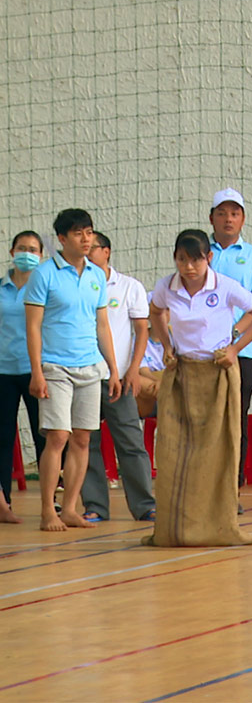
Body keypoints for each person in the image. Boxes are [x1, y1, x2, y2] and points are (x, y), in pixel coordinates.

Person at [146, 230, 252, 547]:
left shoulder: (225, 286)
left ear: (209, 258)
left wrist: (234, 347)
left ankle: (221, 524)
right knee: (174, 449)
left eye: (196, 259)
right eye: (182, 259)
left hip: (217, 373)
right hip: (182, 373)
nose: (189, 267)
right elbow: (155, 312)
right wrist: (166, 346)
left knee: (219, 448)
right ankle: (174, 527)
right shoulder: (166, 286)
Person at [25, 209, 122, 532]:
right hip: (55, 366)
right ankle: (47, 511)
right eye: (78, 233)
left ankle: (69, 508)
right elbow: (34, 326)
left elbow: (102, 325)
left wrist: (113, 369)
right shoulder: (44, 274)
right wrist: (37, 372)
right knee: (58, 437)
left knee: (82, 438)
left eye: (89, 232)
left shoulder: (96, 274)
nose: (85, 239)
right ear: (62, 239)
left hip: (90, 367)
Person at [80, 232, 156, 522]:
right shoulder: (78, 285)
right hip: (85, 375)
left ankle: (145, 504)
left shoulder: (129, 287)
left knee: (130, 442)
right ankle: (95, 505)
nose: (88, 253)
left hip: (120, 379)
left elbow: (142, 331)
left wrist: (133, 370)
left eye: (93, 248)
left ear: (107, 251)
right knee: (87, 443)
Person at [208, 188, 252, 488]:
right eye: (222, 213)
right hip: (202, 352)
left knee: (236, 418)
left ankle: (232, 485)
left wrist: (233, 334)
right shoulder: (200, 252)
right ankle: (205, 483)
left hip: (240, 351)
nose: (228, 219)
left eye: (234, 213)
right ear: (212, 218)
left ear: (243, 219)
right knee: (204, 419)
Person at [0, 231, 47, 524]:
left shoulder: (44, 289)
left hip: (36, 371)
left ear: (41, 256)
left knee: (44, 437)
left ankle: (50, 501)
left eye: (32, 249)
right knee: (2, 438)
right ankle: (3, 502)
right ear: (11, 251)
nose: (26, 253)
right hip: (3, 371)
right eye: (21, 248)